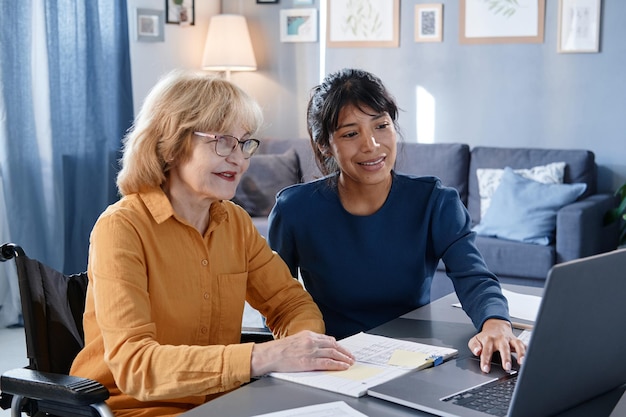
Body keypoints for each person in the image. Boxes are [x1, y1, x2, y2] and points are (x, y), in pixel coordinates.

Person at [70, 70, 354, 417]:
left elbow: (292, 304)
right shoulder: (121, 227)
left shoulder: (234, 223)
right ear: (171, 145)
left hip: (224, 404)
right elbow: (136, 366)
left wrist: (297, 349)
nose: (239, 158)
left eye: (245, 142)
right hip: (133, 409)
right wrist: (262, 357)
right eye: (222, 140)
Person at [267, 68, 526, 374]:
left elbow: (474, 277)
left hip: (413, 360)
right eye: (351, 133)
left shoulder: (434, 201)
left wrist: (495, 322)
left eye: (381, 126)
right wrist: (298, 346)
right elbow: (272, 299)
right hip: (331, 362)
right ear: (325, 144)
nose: (372, 145)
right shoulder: (294, 209)